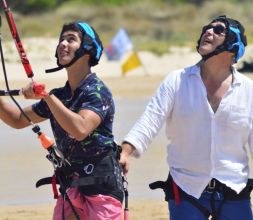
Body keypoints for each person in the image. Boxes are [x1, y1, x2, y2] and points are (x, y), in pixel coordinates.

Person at [120, 15, 253, 220]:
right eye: (206, 28)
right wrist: (125, 151)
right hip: (185, 188)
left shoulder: (249, 91)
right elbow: (150, 120)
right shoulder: (177, 80)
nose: (208, 32)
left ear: (233, 45)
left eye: (218, 30)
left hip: (234, 188)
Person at [0, 21, 123, 220]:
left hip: (102, 190)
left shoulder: (98, 91)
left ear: (88, 49)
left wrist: (46, 97)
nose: (62, 44)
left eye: (71, 39)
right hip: (70, 188)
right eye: (61, 40)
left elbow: (80, 129)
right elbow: (16, 119)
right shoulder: (60, 95)